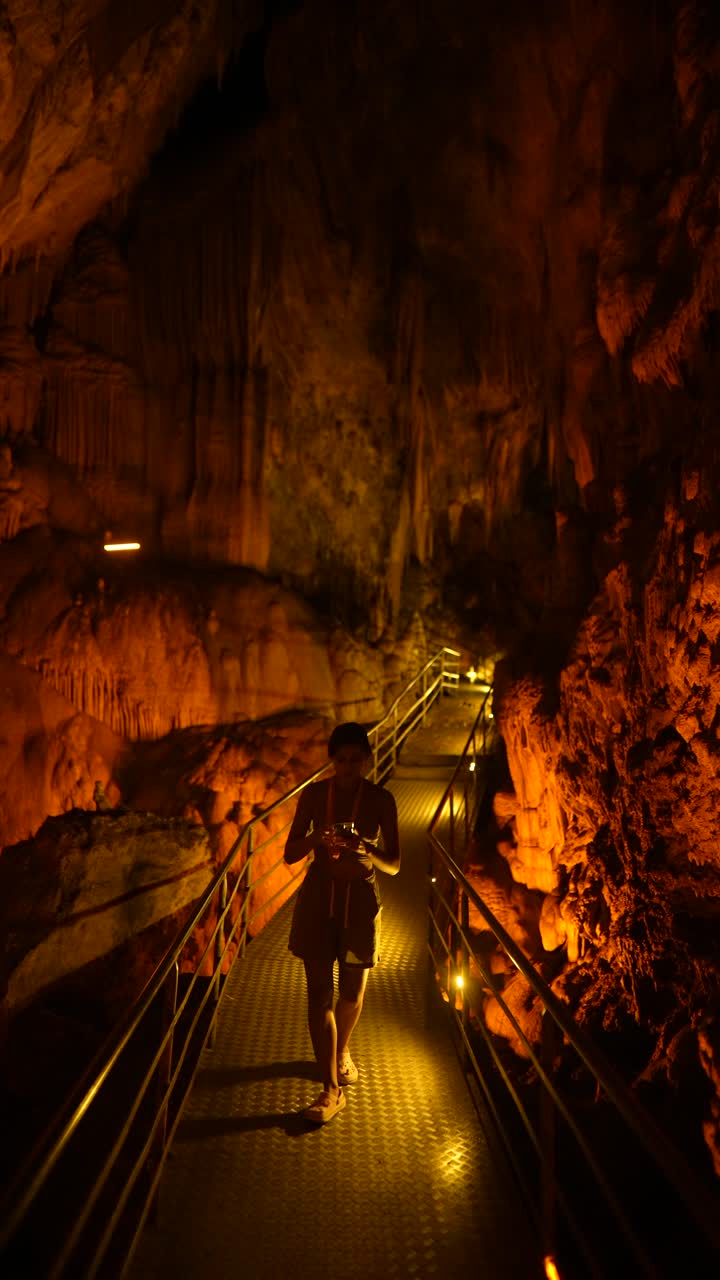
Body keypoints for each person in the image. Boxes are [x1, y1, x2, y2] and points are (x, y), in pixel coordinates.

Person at [284, 722, 400, 1124]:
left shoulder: (382, 800)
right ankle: (330, 1089)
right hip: (319, 899)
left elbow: (396, 864)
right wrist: (318, 838)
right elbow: (289, 853)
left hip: (361, 903)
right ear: (332, 762)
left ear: (367, 761)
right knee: (319, 994)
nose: (348, 767)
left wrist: (366, 847)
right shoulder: (315, 796)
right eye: (340, 760)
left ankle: (342, 1049)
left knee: (351, 992)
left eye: (355, 760)